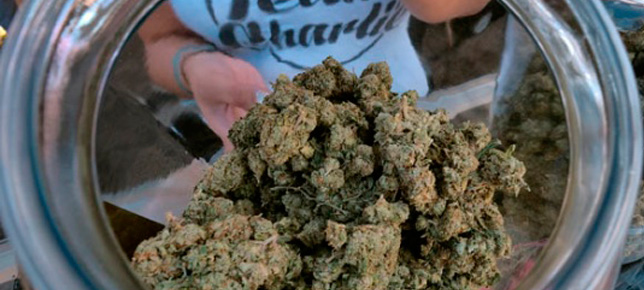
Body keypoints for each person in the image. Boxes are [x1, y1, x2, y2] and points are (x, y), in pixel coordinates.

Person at [139, 0, 490, 149]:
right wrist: (192, 66)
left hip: (400, 125)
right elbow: (157, 40)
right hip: (255, 138)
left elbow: (464, 6)